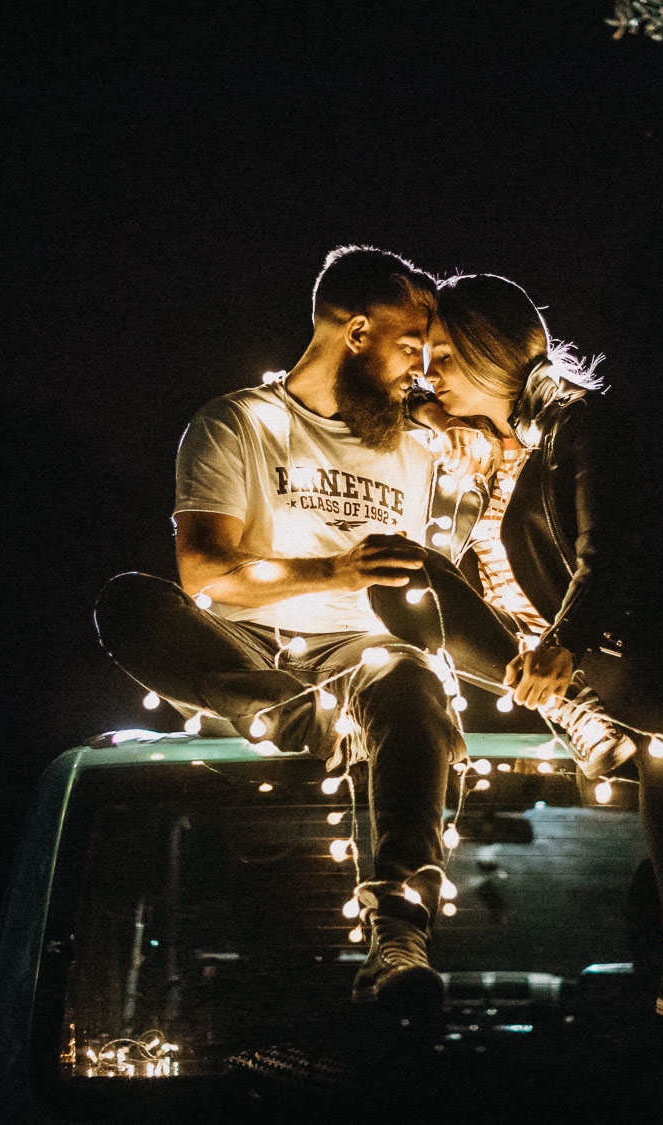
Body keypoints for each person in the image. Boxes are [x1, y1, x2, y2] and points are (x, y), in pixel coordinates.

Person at [93, 246, 464, 1017]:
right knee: (131, 604)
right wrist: (339, 569)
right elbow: (204, 572)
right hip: (244, 651)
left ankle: (397, 933)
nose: (419, 370)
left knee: (410, 679)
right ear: (357, 332)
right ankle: (299, 716)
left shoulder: (424, 443)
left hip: (362, 655)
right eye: (408, 347)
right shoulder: (235, 424)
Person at [379, 272, 663, 1023]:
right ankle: (575, 716)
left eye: (442, 356)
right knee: (394, 566)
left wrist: (565, 647)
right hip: (537, 676)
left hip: (621, 659)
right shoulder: (477, 454)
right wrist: (438, 417)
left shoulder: (582, 424)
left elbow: (609, 553)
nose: (427, 374)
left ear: (487, 350)